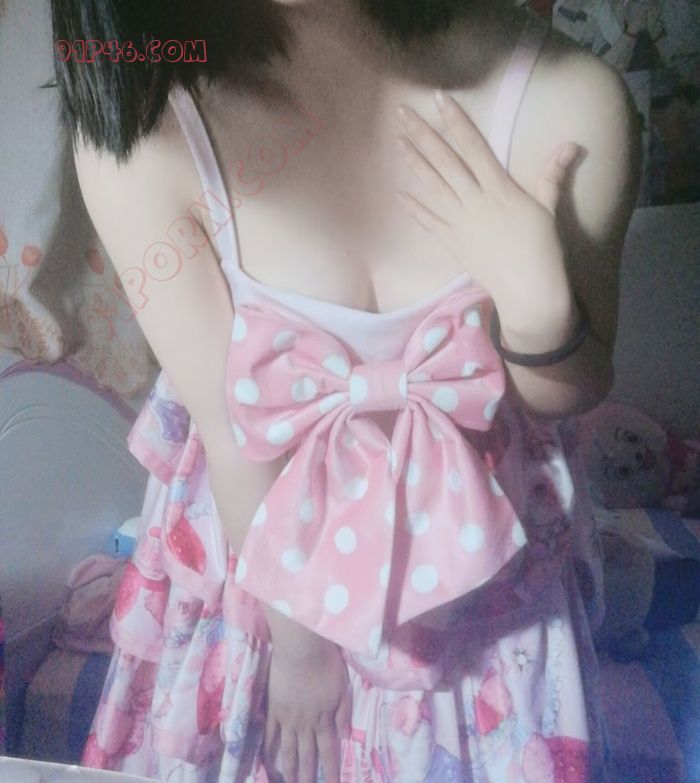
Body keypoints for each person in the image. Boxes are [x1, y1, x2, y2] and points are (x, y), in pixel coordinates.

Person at [52, 0, 642, 780]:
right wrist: (299, 652)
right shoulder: (146, 128)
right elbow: (230, 432)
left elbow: (570, 389)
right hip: (265, 579)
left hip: (483, 594)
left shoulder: (571, 102)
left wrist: (540, 309)